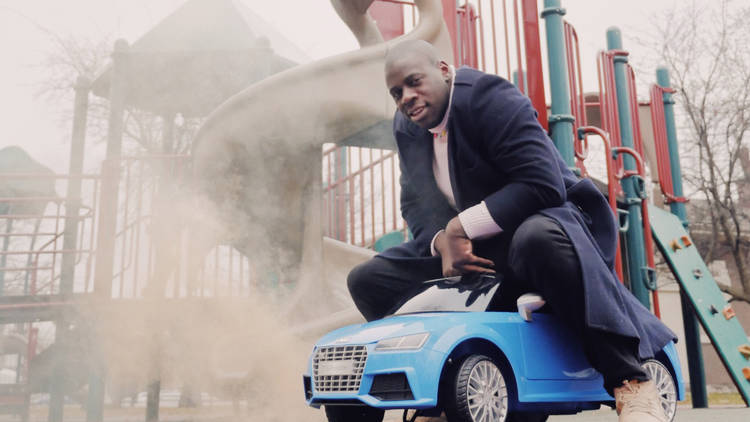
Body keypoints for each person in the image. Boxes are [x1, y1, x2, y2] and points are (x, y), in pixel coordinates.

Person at [347, 39, 675, 422]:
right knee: (368, 279)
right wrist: (443, 243)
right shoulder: (406, 128)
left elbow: (543, 184)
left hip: (542, 228)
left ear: (444, 70)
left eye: (414, 81)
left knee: (536, 239)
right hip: (471, 253)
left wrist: (460, 226)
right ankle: (439, 391)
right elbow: (415, 207)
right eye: (396, 92)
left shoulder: (489, 97)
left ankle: (630, 382)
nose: (406, 97)